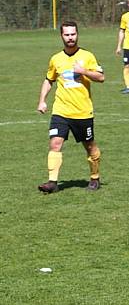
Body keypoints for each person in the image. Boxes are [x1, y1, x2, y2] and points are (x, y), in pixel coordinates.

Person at [36, 20, 105, 193]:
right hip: (61, 111)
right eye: (66, 35)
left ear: (77, 35)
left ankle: (95, 177)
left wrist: (84, 72)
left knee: (90, 146)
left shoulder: (87, 56)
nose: (70, 38)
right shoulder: (56, 59)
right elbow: (49, 79)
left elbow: (101, 77)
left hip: (82, 112)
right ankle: (52, 182)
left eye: (73, 34)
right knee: (55, 144)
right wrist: (42, 100)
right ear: (61, 36)